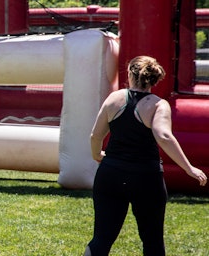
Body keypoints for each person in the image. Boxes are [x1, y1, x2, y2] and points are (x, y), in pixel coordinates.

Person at [85, 56, 207, 256]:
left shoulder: (114, 98)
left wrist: (96, 155)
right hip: (145, 177)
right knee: (152, 241)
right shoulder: (159, 105)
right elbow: (164, 136)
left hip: (110, 174)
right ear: (154, 79)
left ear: (130, 74)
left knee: (101, 238)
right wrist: (188, 168)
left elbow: (95, 135)